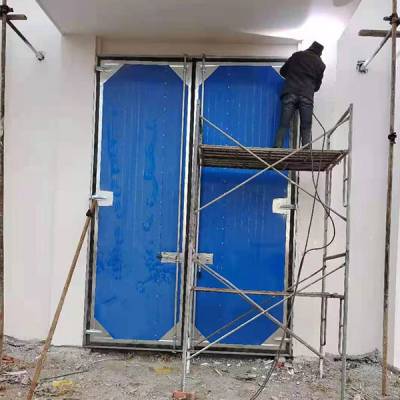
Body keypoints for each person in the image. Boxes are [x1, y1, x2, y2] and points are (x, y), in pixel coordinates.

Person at [274, 41, 326, 149]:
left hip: (290, 92)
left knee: (284, 124)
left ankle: (277, 147)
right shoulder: (320, 64)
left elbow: (282, 71)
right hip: (306, 95)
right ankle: (306, 152)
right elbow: (317, 86)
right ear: (320, 53)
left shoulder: (297, 55)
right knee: (306, 127)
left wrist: (292, 77)